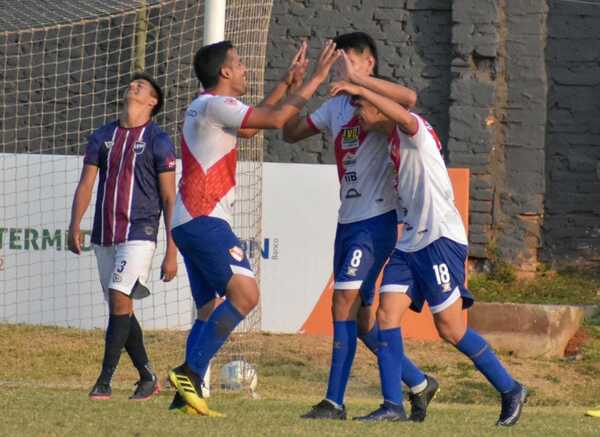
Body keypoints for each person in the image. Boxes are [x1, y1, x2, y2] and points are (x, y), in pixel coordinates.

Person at [329, 76, 528, 426]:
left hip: (440, 238)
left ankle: (510, 388)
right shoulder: (390, 139)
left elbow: (405, 107)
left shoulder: (413, 129)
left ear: (380, 108)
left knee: (450, 328)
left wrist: (362, 86)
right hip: (409, 242)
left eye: (362, 107)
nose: (357, 115)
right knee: (386, 316)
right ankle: (393, 405)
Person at [167, 38, 341, 417]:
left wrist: (286, 84)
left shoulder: (209, 107)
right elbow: (277, 121)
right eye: (240, 63)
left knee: (209, 307)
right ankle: (190, 372)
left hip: (188, 219)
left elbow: (248, 129)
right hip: (204, 216)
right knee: (245, 296)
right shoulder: (216, 104)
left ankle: (184, 396)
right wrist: (317, 78)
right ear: (225, 72)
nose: (246, 69)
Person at [283, 32, 438, 421]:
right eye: (339, 65)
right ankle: (419, 382)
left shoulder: (379, 105)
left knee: (342, 301)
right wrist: (306, 83)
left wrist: (361, 85)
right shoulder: (338, 107)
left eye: (350, 62)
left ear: (369, 64)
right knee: (364, 322)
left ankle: (334, 401)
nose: (344, 71)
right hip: (347, 221)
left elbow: (408, 102)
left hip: (377, 221)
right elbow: (290, 132)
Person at [68, 72, 178, 401]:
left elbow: (170, 198)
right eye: (132, 84)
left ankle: (104, 380)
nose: (133, 87)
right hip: (104, 233)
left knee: (119, 295)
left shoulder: (159, 140)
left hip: (140, 232)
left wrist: (172, 249)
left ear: (152, 101)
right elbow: (87, 184)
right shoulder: (102, 135)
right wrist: (75, 223)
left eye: (140, 86)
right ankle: (147, 376)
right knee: (122, 306)